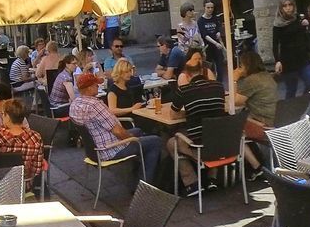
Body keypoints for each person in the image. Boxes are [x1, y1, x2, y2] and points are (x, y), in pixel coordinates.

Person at [69, 73, 162, 185]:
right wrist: (131, 138)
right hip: (110, 150)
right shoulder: (95, 105)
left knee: (138, 131)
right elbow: (118, 132)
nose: (98, 87)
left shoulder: (75, 104)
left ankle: (136, 175)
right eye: (95, 85)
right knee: (155, 141)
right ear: (89, 88)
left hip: (93, 149)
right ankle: (144, 185)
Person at [166, 57, 227, 196]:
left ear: (186, 75)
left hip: (199, 144)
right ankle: (212, 179)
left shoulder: (184, 90)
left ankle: (192, 183)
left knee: (172, 143)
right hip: (221, 140)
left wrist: (189, 113)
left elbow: (173, 115)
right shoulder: (218, 86)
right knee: (212, 131)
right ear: (203, 71)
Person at [233, 51, 277, 179]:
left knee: (232, 130)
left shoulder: (252, 81)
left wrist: (234, 79)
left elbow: (235, 102)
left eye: (240, 66)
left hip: (262, 125)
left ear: (247, 65)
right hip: (274, 121)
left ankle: (256, 167)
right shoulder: (266, 76)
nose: (239, 69)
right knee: (239, 122)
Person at [273, 0, 310, 97]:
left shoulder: (298, 19)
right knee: (291, 90)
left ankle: (301, 103)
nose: (288, 8)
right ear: (281, 8)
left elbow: (306, 36)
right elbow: (275, 44)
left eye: (290, 4)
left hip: (303, 58)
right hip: (288, 61)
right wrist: (277, 61)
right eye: (285, 6)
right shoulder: (278, 24)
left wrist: (306, 26)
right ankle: (290, 111)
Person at [197, 0, 226, 73]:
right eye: (208, 7)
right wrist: (215, 43)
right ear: (204, 8)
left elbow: (218, 28)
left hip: (218, 46)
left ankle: (220, 82)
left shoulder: (215, 18)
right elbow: (204, 35)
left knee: (220, 66)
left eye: (212, 8)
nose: (210, 9)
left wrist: (219, 32)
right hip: (208, 46)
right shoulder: (200, 20)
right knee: (209, 67)